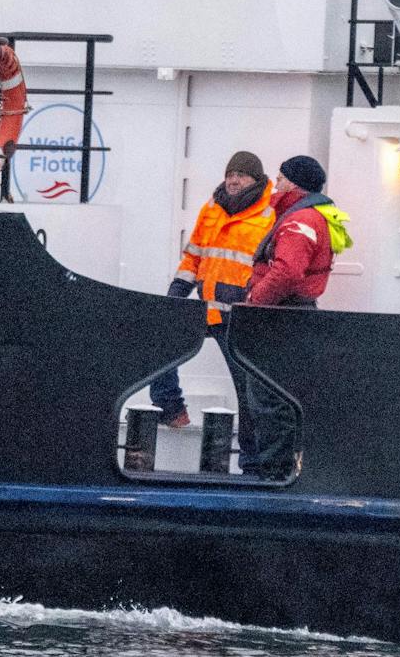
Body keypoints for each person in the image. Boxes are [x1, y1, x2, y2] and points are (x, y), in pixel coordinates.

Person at [237, 155, 352, 479]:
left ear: (294, 183)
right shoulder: (312, 216)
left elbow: (286, 272)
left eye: (280, 178)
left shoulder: (298, 221)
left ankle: (273, 475)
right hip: (293, 316)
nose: (275, 184)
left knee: (269, 397)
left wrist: (254, 302)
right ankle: (279, 471)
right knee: (281, 396)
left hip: (279, 318)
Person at [151, 151, 274, 430]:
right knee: (161, 340)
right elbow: (194, 255)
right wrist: (177, 293)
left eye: (241, 175)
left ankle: (252, 463)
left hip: (241, 317)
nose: (233, 180)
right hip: (207, 310)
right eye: (230, 174)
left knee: (248, 391)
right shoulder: (212, 208)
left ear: (256, 180)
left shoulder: (270, 213)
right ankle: (170, 408)